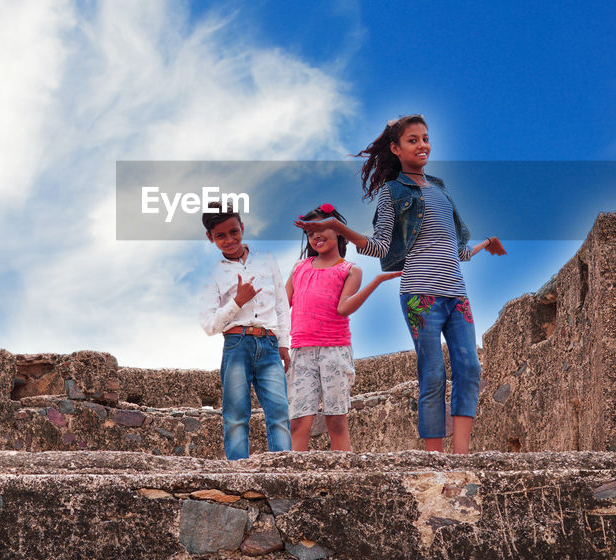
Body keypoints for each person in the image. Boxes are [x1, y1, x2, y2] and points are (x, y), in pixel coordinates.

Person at [295, 115, 506, 453]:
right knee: (433, 371)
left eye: (425, 138)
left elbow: (459, 249)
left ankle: (461, 453)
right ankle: (434, 455)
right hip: (420, 293)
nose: (422, 145)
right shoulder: (392, 193)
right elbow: (378, 246)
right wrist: (336, 226)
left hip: (456, 293)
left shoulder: (440, 189)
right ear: (395, 148)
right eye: (413, 140)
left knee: (469, 366)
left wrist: (486, 243)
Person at [285, 203, 400, 451]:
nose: (315, 236)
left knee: (336, 420)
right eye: (309, 232)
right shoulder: (299, 268)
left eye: (321, 228)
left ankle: (342, 473)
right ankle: (296, 478)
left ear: (337, 230)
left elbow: (344, 308)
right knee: (297, 422)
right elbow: (283, 307)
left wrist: (377, 280)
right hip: (301, 351)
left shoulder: (350, 270)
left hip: (334, 351)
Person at [199, 202, 292, 460]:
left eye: (233, 232)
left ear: (242, 227)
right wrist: (237, 301)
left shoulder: (267, 261)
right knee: (236, 416)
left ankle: (283, 475)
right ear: (210, 237)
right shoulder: (212, 274)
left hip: (270, 345)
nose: (229, 239)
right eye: (220, 236)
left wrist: (284, 342)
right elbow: (209, 325)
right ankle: (238, 478)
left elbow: (281, 305)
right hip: (236, 344)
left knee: (279, 413)